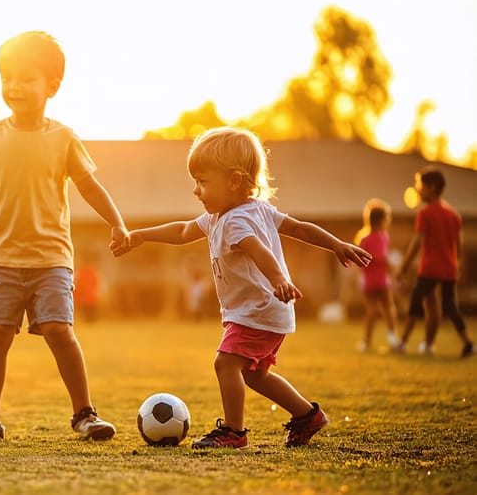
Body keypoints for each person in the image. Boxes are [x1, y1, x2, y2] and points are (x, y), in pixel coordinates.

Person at [112, 127, 371, 449]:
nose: (196, 191)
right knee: (254, 374)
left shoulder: (236, 221)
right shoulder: (235, 214)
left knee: (225, 363)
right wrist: (142, 235)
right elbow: (183, 231)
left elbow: (259, 250)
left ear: (234, 181)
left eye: (203, 182)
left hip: (259, 308)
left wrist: (279, 279)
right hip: (266, 309)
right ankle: (307, 415)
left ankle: (234, 431)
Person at [0, 31, 128, 442]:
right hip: (1, 260)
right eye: (7, 78)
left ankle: (85, 414)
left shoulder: (64, 138)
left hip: (51, 259)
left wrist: (116, 221)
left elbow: (89, 187)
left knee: (59, 331)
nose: (14, 87)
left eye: (26, 78)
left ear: (52, 85)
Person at [394, 167, 473, 358]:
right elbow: (458, 243)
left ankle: (402, 342)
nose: (419, 190)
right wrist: (457, 263)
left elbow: (417, 243)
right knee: (445, 306)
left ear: (433, 187)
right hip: (449, 268)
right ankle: (463, 343)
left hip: (429, 268)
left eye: (421, 185)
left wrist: (402, 268)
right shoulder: (454, 214)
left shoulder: (426, 213)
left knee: (415, 303)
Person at [354, 199, 400, 352]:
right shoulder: (381, 237)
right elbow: (382, 257)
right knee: (387, 310)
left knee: (372, 312)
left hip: (369, 282)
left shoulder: (364, 238)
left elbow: (358, 261)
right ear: (381, 220)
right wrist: (394, 270)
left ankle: (367, 342)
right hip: (380, 281)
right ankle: (392, 339)